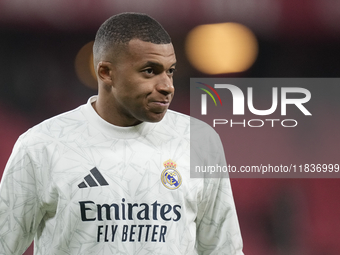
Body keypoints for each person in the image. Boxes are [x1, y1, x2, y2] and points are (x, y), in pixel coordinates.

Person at [0, 12, 244, 254]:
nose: (167, 86)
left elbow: (224, 250)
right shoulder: (42, 146)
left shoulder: (199, 141)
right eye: (150, 71)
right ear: (106, 73)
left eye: (170, 71)